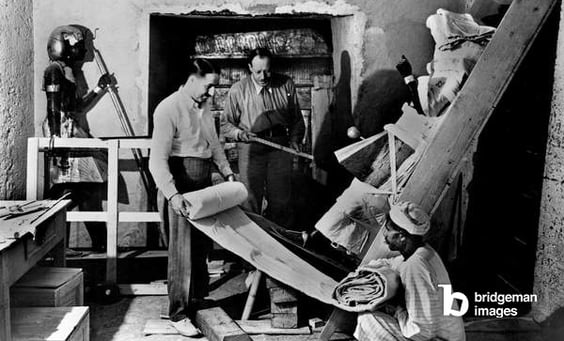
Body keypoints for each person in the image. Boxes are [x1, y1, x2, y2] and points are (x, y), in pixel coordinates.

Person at [149, 58, 234, 336]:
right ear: (192, 78)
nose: (212, 93)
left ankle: (197, 299)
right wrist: (173, 194)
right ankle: (178, 313)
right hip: (180, 180)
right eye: (209, 86)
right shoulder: (168, 108)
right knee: (182, 251)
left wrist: (227, 172)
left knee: (200, 246)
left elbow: (214, 143)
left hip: (203, 180)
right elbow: (156, 162)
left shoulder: (205, 106)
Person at [43, 25, 112, 252]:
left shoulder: (70, 72)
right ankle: (44, 232)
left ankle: (100, 242)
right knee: (73, 187)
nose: (79, 51)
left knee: (87, 186)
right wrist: (56, 142)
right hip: (62, 132)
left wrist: (99, 89)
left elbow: (77, 106)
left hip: (71, 129)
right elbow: (53, 108)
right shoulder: (54, 70)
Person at [354, 201, 466, 341]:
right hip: (451, 335)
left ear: (401, 236)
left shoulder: (414, 267)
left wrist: (398, 309)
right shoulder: (425, 251)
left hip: (439, 338)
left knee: (367, 319)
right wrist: (366, 269)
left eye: (388, 230)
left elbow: (423, 331)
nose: (385, 234)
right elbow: (394, 263)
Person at [220, 47, 304, 228]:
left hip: (280, 148)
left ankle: (281, 247)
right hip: (251, 147)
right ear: (250, 67)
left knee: (282, 200)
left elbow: (297, 119)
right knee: (250, 200)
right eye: (258, 71)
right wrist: (240, 134)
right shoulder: (238, 90)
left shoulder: (286, 84)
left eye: (267, 70)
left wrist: (295, 140)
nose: (263, 76)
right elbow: (225, 125)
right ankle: (252, 250)